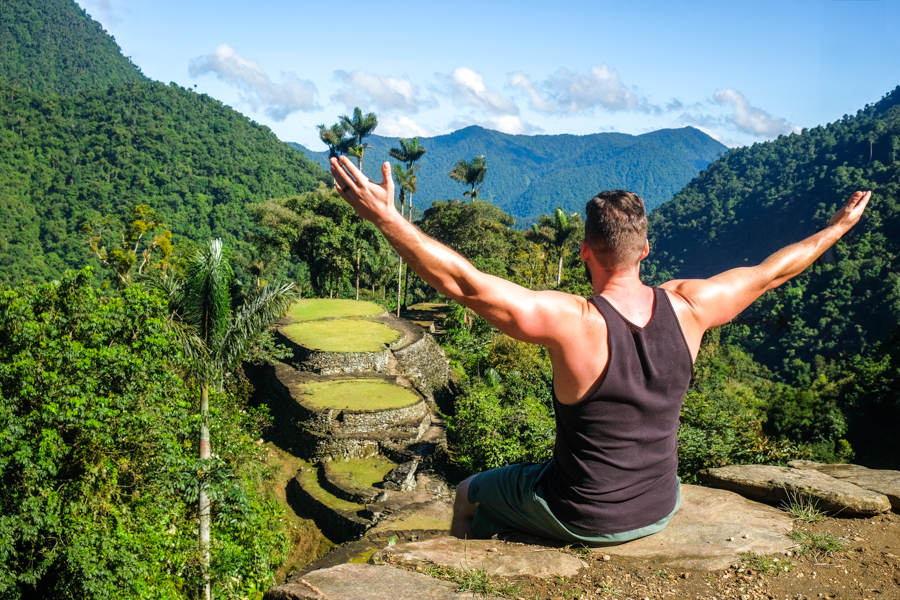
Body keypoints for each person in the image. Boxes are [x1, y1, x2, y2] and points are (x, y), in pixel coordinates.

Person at [330, 155, 871, 546]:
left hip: (582, 515)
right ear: (646, 249)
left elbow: (465, 285)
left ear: (584, 249)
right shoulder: (694, 306)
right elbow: (773, 272)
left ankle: (462, 565)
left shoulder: (575, 322)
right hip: (660, 504)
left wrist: (387, 218)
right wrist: (838, 227)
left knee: (469, 491)